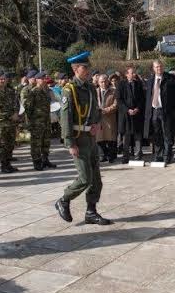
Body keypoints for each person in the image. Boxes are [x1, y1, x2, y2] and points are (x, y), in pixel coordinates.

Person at [55, 51, 111, 225]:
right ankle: (63, 200)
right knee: (85, 178)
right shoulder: (69, 90)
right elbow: (65, 118)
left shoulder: (89, 88)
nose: (87, 70)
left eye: (88, 67)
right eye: (84, 68)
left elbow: (96, 110)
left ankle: (91, 212)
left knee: (96, 180)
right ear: (75, 69)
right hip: (78, 139)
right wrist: (69, 142)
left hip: (90, 138)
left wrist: (96, 122)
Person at [143, 60, 175, 164]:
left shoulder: (170, 78)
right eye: (156, 67)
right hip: (154, 110)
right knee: (156, 134)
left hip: (166, 111)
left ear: (163, 67)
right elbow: (148, 97)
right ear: (153, 68)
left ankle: (167, 155)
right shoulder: (150, 80)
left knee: (167, 134)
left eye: (160, 66)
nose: (158, 68)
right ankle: (159, 154)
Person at [0, 69, 21, 173]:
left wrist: (16, 112)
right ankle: (4, 165)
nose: (2, 81)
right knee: (2, 145)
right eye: (0, 79)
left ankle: (8, 164)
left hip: (11, 122)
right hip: (0, 123)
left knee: (10, 144)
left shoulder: (9, 91)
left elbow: (16, 103)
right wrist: (11, 115)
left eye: (4, 79)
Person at [25, 71, 58, 170]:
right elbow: (28, 107)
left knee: (46, 141)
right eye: (43, 79)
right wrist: (31, 122)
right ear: (37, 80)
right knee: (36, 143)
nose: (45, 80)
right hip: (37, 122)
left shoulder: (46, 90)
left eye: (45, 78)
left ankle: (45, 160)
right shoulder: (34, 92)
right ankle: (37, 162)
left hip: (46, 120)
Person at [117, 65, 145, 163]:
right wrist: (127, 110)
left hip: (137, 114)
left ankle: (138, 155)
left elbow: (142, 98)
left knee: (138, 135)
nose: (134, 74)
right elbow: (119, 100)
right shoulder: (121, 84)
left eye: (134, 72)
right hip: (126, 115)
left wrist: (137, 108)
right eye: (131, 72)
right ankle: (125, 156)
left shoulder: (138, 84)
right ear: (126, 74)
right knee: (126, 136)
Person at [95, 74, 118, 163]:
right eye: (101, 82)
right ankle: (102, 155)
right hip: (99, 118)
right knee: (99, 138)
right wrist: (98, 110)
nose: (103, 83)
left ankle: (111, 155)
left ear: (108, 81)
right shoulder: (95, 91)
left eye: (105, 81)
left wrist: (106, 110)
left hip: (109, 117)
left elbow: (116, 104)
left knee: (110, 138)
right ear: (98, 82)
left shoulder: (113, 91)